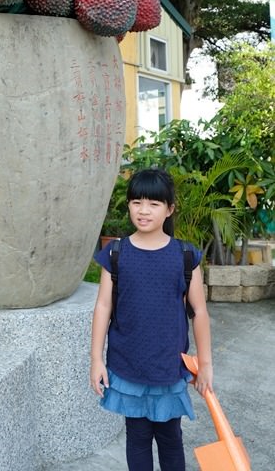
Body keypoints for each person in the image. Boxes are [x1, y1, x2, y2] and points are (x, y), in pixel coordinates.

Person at [90, 168, 213, 471]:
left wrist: (206, 362)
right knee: (138, 436)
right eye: (136, 202)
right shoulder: (116, 252)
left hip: (168, 366)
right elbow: (103, 306)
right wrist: (96, 358)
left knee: (170, 437)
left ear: (170, 209)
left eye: (154, 204)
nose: (143, 210)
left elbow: (198, 311)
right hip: (127, 364)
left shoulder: (185, 255)